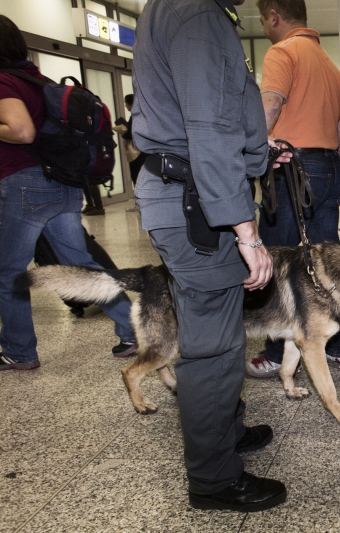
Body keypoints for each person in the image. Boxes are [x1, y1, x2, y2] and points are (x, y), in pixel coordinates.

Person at [131, 0, 286, 512]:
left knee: (211, 328)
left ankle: (226, 432)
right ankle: (214, 480)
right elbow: (210, 131)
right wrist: (246, 230)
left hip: (186, 193)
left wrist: (261, 151)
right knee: (214, 348)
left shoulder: (176, 7)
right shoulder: (198, 14)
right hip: (198, 204)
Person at [0, 15, 138, 371]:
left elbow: (21, 130)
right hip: (61, 183)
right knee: (82, 266)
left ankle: (19, 350)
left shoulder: (3, 81)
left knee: (8, 271)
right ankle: (133, 329)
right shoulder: (37, 79)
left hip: (24, 185)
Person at [245, 0, 340, 379]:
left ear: (274, 16)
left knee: (279, 263)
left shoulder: (282, 52)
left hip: (292, 171)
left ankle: (278, 352)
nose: (264, 27)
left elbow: (271, 106)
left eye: (263, 20)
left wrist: (248, 155)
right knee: (328, 265)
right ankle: (338, 348)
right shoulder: (329, 65)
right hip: (328, 171)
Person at [112, 94, 146, 187]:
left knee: (137, 176)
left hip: (137, 152)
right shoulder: (142, 114)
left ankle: (140, 198)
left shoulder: (135, 116)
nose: (125, 106)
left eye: (125, 103)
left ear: (129, 104)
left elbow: (131, 134)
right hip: (143, 150)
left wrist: (122, 131)